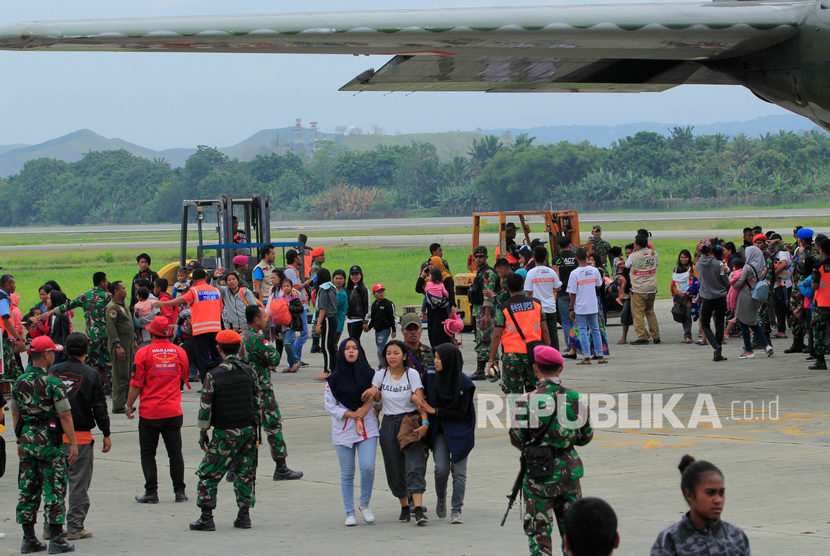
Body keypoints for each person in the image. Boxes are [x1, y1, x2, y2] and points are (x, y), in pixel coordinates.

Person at [509, 344, 593, 556]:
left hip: (539, 476)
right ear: (561, 369)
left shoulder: (525, 401)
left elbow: (517, 439)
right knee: (574, 537)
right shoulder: (576, 398)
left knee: (540, 538)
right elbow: (586, 436)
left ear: (535, 368)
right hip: (569, 473)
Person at [10, 335, 78, 554]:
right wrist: (74, 444)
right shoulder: (53, 383)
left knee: (28, 488)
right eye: (52, 353)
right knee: (54, 487)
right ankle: (56, 538)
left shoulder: (19, 381)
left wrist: (19, 439)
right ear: (47, 354)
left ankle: (28, 538)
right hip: (49, 440)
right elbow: (65, 415)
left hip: (28, 438)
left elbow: (15, 412)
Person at [190, 330, 261, 532]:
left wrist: (203, 434)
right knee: (245, 473)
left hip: (224, 433)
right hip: (248, 431)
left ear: (219, 349)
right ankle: (244, 515)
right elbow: (257, 403)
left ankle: (206, 517)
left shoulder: (213, 375)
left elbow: (205, 409)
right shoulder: (250, 371)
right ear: (239, 348)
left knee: (208, 474)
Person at [47, 333, 111, 541]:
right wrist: (106, 433)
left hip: (54, 435)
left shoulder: (53, 371)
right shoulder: (91, 374)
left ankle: (52, 525)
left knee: (56, 483)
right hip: (81, 437)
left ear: (65, 350)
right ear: (86, 351)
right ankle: (75, 526)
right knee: (78, 484)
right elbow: (99, 407)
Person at [126, 315, 190, 503]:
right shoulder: (179, 352)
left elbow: (136, 383)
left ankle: (151, 492)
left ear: (151, 332)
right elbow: (184, 374)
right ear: (169, 332)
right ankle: (179, 491)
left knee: (148, 453)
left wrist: (129, 406)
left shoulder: (143, 353)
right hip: (172, 411)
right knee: (175, 453)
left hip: (150, 412)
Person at [365, 340, 429, 525]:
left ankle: (418, 509)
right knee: (394, 466)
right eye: (388, 353)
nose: (392, 357)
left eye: (396, 353)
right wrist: (373, 393)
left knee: (415, 464)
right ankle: (404, 506)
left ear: (404, 356)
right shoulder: (380, 375)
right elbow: (376, 397)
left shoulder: (412, 374)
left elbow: (420, 400)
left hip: (409, 421)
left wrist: (424, 422)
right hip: (389, 423)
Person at [239, 305, 303, 480]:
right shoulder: (256, 339)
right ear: (256, 320)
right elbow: (274, 357)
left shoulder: (241, 336)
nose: (266, 319)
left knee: (245, 428)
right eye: (264, 317)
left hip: (244, 389)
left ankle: (234, 468)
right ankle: (281, 466)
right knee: (273, 425)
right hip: (261, 389)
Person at [324, 338, 378, 526]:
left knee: (368, 467)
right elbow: (330, 406)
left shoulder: (372, 375)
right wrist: (351, 413)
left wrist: (370, 401)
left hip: (367, 427)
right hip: (344, 428)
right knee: (347, 473)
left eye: (355, 348)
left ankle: (364, 504)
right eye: (347, 349)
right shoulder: (333, 379)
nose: (351, 351)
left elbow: (380, 398)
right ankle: (349, 511)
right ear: (341, 352)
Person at [651, 455, 750, 555]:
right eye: (710, 493)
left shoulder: (736, 537)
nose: (718, 500)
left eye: (721, 493)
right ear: (689, 495)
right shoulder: (671, 540)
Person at [421, 343, 475, 524]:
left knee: (459, 472)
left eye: (438, 358)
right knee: (441, 469)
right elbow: (421, 395)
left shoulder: (465, 383)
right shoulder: (430, 375)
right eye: (434, 357)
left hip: (461, 430)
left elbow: (461, 412)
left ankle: (456, 508)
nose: (435, 361)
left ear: (450, 361)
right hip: (440, 431)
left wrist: (435, 411)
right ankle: (441, 496)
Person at [39, 272, 112, 389]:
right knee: (110, 363)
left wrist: (50, 312)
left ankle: (88, 386)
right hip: (108, 335)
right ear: (103, 282)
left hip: (92, 336)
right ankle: (112, 387)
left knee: (90, 363)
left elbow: (67, 306)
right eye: (106, 281)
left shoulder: (85, 296)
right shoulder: (109, 297)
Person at [155, 268, 223, 382]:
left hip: (201, 329)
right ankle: (220, 379)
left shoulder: (194, 291)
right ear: (206, 278)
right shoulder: (215, 290)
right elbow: (221, 308)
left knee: (203, 358)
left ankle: (206, 383)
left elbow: (181, 300)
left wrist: (164, 303)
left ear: (193, 280)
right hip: (216, 328)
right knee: (216, 355)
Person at [489, 273, 550, 394]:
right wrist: (547, 351)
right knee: (536, 393)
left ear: (507, 288)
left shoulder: (504, 308)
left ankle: (518, 413)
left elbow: (496, 335)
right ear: (523, 286)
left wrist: (492, 359)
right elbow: (545, 330)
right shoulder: (536, 304)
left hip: (512, 357)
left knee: (514, 397)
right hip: (534, 354)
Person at [567, 248, 607, 365]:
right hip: (592, 305)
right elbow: (599, 285)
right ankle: (600, 356)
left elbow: (572, 293)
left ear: (576, 258)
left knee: (582, 331)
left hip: (580, 307)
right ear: (586, 257)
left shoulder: (574, 273)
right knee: (596, 330)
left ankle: (586, 357)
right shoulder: (594, 271)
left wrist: (571, 307)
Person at [733, 245, 774, 359]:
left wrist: (731, 283)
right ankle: (766, 345)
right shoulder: (763, 267)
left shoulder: (747, 267)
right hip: (756, 294)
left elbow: (740, 282)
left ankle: (749, 350)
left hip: (745, 295)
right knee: (754, 322)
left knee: (743, 322)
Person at [696, 240, 730, 362]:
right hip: (720, 297)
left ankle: (715, 346)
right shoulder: (719, 264)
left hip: (707, 298)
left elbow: (701, 282)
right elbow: (726, 281)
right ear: (711, 250)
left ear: (699, 251)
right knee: (720, 323)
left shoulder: (698, 265)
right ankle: (719, 349)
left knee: (705, 323)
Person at [105, 280, 136, 414]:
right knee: (119, 374)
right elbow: (111, 329)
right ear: (116, 292)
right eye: (122, 288)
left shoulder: (123, 306)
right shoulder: (112, 307)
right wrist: (117, 345)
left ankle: (124, 402)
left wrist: (134, 340)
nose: (125, 290)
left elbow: (129, 325)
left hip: (127, 344)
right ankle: (118, 405)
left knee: (127, 373)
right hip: (119, 345)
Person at [466, 246, 496, 380]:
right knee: (482, 339)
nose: (478, 259)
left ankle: (487, 369)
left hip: (484, 310)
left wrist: (487, 314)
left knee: (485, 339)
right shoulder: (481, 272)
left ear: (486, 257)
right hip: (479, 309)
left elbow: (488, 295)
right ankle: (485, 369)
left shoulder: (488, 273)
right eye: (476, 257)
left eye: (481, 257)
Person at [786, 228, 818, 354]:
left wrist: (802, 291)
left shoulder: (811, 254)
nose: (797, 239)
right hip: (796, 287)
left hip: (805, 289)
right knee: (795, 315)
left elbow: (809, 274)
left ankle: (810, 344)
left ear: (803, 240)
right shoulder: (799, 251)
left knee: (806, 315)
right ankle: (797, 342)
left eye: (799, 238)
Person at [524, 245, 562, 350]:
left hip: (537, 309)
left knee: (538, 334)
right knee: (553, 333)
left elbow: (528, 293)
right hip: (550, 308)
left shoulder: (531, 273)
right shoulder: (551, 271)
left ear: (534, 258)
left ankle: (542, 354)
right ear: (546, 258)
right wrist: (557, 273)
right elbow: (558, 287)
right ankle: (555, 355)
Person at [626, 234, 661, 345]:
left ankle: (642, 337)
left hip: (639, 289)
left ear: (637, 244)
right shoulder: (654, 254)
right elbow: (657, 264)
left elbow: (627, 265)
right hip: (652, 288)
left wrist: (633, 252)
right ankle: (656, 336)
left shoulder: (633, 256)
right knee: (650, 312)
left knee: (638, 314)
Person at [416, 257, 456, 349]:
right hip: (431, 310)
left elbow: (450, 293)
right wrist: (422, 276)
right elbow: (418, 289)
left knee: (441, 334)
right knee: (432, 333)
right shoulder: (429, 279)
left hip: (442, 311)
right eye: (429, 264)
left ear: (438, 264)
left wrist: (452, 306)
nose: (430, 266)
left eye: (432, 264)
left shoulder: (446, 277)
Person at [283, 249, 311, 365]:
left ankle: (296, 359)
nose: (300, 258)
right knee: (303, 333)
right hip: (299, 306)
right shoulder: (290, 271)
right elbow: (294, 288)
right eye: (299, 256)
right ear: (295, 258)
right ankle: (295, 359)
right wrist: (306, 283)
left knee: (301, 333)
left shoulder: (294, 271)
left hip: (302, 305)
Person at [809, 237, 830, 370]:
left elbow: (815, 286)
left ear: (821, 251)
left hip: (822, 304)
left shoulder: (818, 267)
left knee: (819, 333)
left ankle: (821, 361)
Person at [0, 274, 26, 380]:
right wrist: (18, 338)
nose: (15, 286)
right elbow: (6, 321)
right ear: (7, 285)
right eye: (13, 283)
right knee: (5, 368)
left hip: (6, 338)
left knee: (14, 368)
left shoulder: (5, 297)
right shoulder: (2, 299)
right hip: (3, 339)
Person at [555, 237, 579, 347]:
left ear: (559, 246)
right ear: (570, 244)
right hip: (576, 292)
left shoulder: (556, 260)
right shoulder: (575, 258)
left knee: (565, 321)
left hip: (563, 292)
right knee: (578, 319)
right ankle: (580, 343)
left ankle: (570, 345)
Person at [670, 250, 698, 343]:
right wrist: (677, 292)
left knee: (688, 315)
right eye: (682, 257)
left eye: (685, 257)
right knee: (683, 314)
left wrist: (689, 292)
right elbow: (674, 284)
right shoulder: (676, 269)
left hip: (690, 297)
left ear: (689, 258)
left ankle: (688, 335)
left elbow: (697, 281)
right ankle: (687, 336)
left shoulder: (693, 269)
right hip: (680, 298)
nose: (683, 259)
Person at [365, 283, 397, 365]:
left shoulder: (388, 304)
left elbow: (392, 317)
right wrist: (369, 327)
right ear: (374, 294)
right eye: (378, 292)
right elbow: (374, 319)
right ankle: (384, 363)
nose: (381, 293)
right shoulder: (374, 305)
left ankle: (382, 365)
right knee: (380, 347)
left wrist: (394, 330)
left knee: (380, 348)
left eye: (382, 291)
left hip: (385, 329)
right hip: (377, 330)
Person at [769, 233, 791, 339]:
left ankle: (782, 330)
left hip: (783, 284)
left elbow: (784, 264)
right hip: (779, 284)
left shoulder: (782, 252)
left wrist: (774, 274)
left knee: (782, 307)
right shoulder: (777, 252)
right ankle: (782, 329)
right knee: (780, 307)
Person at [399, 312, 434, 378]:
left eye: (416, 328)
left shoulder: (430, 352)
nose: (413, 332)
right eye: (409, 329)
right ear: (402, 330)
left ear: (421, 330)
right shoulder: (397, 353)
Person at [346, 265, 371, 341]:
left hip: (358, 319)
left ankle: (361, 353)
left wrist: (365, 321)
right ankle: (361, 353)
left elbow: (367, 306)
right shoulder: (348, 289)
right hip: (349, 319)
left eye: (357, 274)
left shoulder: (364, 289)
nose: (354, 276)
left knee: (353, 341)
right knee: (355, 342)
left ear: (361, 275)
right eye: (352, 274)